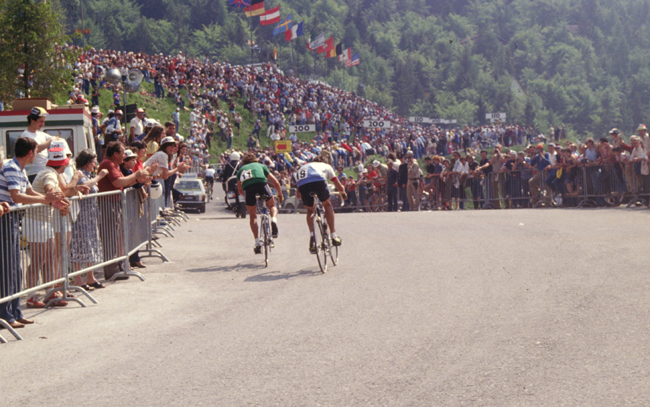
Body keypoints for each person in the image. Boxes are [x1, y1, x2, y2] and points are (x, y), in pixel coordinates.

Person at [0, 137, 68, 329]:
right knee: (8, 269)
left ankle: (15, 312)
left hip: (12, 219)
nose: (37, 154)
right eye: (36, 151)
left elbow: (29, 192)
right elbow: (17, 196)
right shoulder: (12, 168)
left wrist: (49, 200)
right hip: (6, 219)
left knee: (15, 268)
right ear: (30, 152)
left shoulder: (19, 169)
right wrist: (47, 199)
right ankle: (6, 314)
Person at [70, 149, 108, 291]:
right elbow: (86, 186)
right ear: (87, 163)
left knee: (90, 244)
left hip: (90, 215)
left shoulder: (87, 174)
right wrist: (99, 177)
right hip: (81, 216)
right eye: (93, 162)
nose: (95, 164)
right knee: (79, 246)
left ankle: (90, 276)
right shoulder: (79, 174)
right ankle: (78, 279)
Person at [295, 154, 348, 252]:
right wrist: (343, 194)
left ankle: (312, 238)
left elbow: (298, 196)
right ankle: (333, 236)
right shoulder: (326, 166)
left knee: (310, 211)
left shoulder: (302, 168)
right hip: (318, 181)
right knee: (327, 205)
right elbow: (340, 187)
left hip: (303, 185)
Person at [236, 153, 284, 254]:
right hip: (261, 184)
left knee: (253, 216)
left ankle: (257, 242)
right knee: (271, 205)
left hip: (248, 189)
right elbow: (275, 182)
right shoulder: (261, 166)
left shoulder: (241, 170)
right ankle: (274, 220)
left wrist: (246, 198)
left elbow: (239, 189)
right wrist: (280, 194)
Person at [20, 107, 58, 183]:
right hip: (33, 173)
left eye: (44, 122)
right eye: (41, 121)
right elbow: (35, 149)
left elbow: (56, 138)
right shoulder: (25, 135)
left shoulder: (41, 134)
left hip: (43, 171)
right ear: (32, 120)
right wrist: (50, 141)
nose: (43, 124)